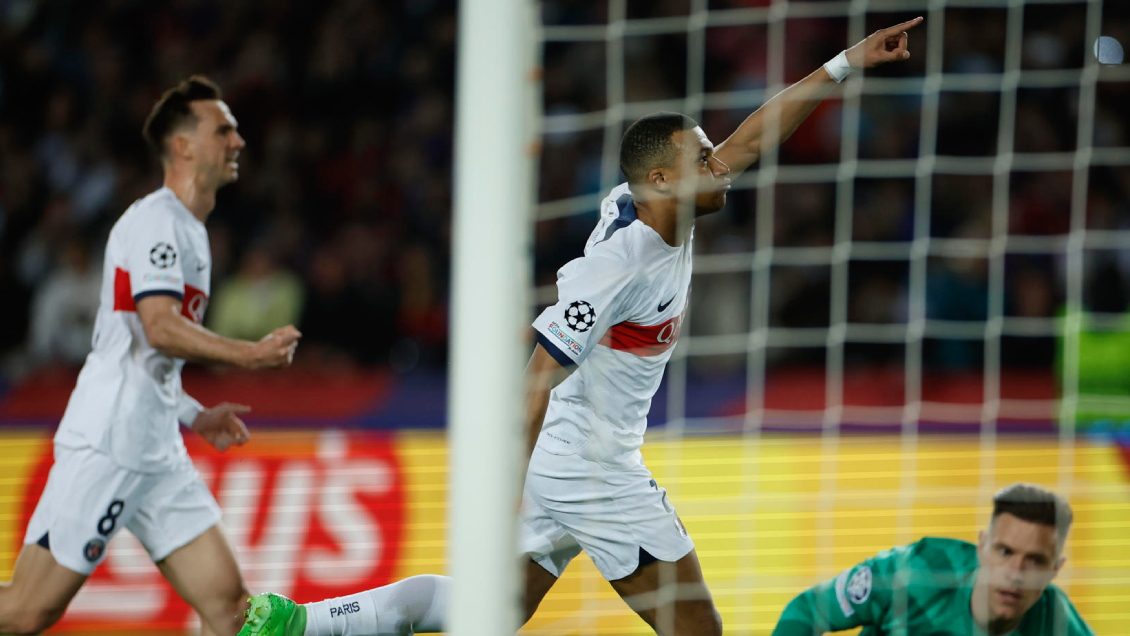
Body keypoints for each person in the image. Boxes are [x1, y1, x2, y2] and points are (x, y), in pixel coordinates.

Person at [236, 17, 923, 636]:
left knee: (490, 610)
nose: (721, 167)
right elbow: (538, 373)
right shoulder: (621, 265)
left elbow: (750, 139)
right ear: (661, 179)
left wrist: (844, 63)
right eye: (702, 161)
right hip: (590, 465)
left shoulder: (655, 207)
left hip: (566, 451)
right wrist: (500, 489)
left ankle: (300, 625)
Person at [0, 75, 302, 636]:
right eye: (224, 129)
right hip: (109, 441)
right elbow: (160, 328)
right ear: (183, 145)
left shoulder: (192, 232)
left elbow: (147, 356)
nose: (238, 142)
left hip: (157, 448)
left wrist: (194, 414)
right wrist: (251, 355)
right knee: (25, 612)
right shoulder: (156, 221)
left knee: (232, 612)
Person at [771, 483, 1095, 636]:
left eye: (1035, 561)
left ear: (1055, 569)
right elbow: (807, 610)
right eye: (1005, 552)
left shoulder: (1058, 622)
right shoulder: (916, 572)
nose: (1015, 574)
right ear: (982, 546)